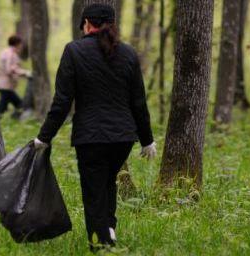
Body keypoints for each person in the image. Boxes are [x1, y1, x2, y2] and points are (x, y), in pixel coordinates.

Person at [33, 4, 157, 250]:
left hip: (90, 137)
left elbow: (62, 101)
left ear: (87, 23)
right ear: (112, 24)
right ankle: (109, 230)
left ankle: (101, 244)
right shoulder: (129, 53)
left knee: (94, 190)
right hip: (123, 138)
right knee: (107, 182)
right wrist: (147, 140)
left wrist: (44, 137)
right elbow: (138, 102)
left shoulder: (74, 51)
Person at [0, 35, 31, 119]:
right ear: (17, 44)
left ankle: (13, 117)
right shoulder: (11, 54)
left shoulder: (5, 51)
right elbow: (10, 69)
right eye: (20, 44)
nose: (21, 46)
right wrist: (25, 73)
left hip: (2, 84)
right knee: (17, 104)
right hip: (6, 85)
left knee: (12, 104)